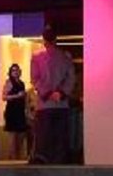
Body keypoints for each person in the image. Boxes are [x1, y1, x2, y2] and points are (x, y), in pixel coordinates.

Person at [29, 27, 78, 164]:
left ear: (43, 40)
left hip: (44, 106)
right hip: (61, 105)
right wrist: (61, 93)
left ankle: (44, 164)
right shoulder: (66, 57)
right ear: (56, 39)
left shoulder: (36, 57)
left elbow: (35, 79)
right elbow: (71, 79)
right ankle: (59, 165)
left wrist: (47, 93)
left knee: (43, 139)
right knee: (60, 139)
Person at [0, 62, 30, 160]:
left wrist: (27, 110)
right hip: (12, 111)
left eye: (17, 70)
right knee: (12, 138)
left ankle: (18, 157)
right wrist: (17, 95)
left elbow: (24, 99)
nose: (16, 72)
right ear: (10, 72)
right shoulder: (9, 82)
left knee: (21, 136)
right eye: (13, 70)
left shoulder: (21, 83)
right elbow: (4, 97)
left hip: (20, 112)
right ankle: (12, 159)